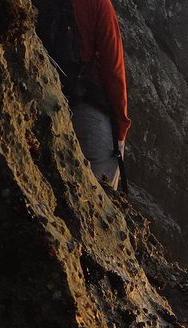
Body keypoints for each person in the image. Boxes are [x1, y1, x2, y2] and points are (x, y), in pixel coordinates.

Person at [36, 0, 131, 189]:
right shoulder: (99, 4)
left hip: (41, 89)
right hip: (87, 108)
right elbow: (113, 70)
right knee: (101, 190)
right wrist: (121, 128)